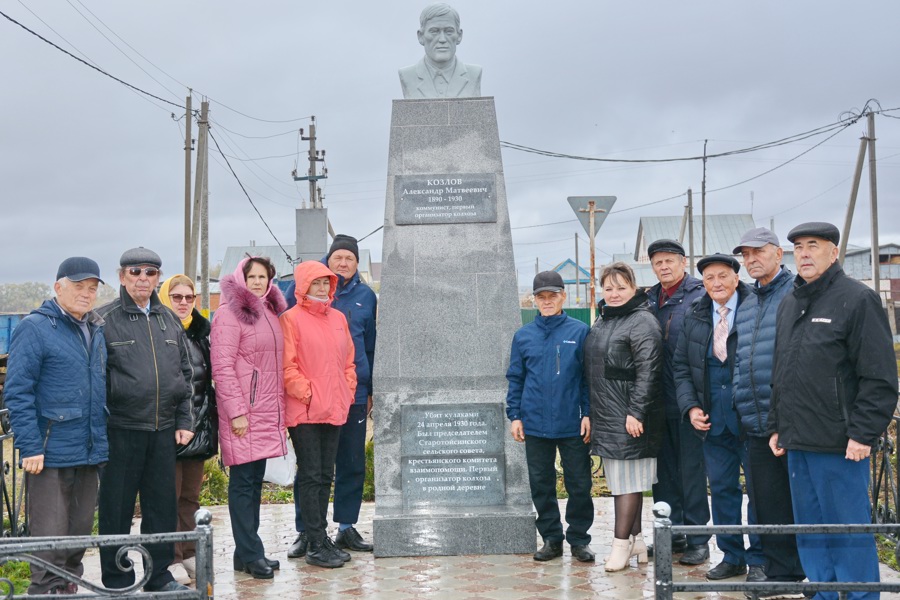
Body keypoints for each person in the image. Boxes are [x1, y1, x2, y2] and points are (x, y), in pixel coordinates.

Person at [769, 222, 898, 600]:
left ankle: (860, 596)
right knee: (810, 530)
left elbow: (879, 377)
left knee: (848, 531)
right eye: (798, 248)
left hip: (840, 443)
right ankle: (824, 593)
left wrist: (863, 432)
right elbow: (782, 371)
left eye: (814, 245)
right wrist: (778, 425)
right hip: (798, 440)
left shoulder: (858, 299)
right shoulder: (790, 302)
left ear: (833, 252)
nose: (805, 253)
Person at [4, 257, 108, 595]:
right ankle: (46, 591)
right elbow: (18, 391)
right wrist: (30, 445)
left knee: (78, 532)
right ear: (58, 287)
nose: (86, 294)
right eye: (78, 287)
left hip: (88, 447)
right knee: (50, 535)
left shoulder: (95, 327)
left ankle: (68, 587)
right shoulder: (35, 328)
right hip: (49, 450)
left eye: (92, 289)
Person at [96, 247, 194, 592]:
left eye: (150, 273)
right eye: (135, 272)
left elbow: (183, 375)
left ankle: (158, 577)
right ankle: (117, 580)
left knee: (161, 509)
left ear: (158, 278)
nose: (143, 279)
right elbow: (94, 381)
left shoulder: (168, 319)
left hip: (163, 430)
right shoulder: (103, 319)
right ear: (122, 276)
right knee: (116, 511)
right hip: (121, 430)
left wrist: (185, 420)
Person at [673, 253, 764, 581]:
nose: (717, 283)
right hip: (712, 422)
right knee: (723, 490)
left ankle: (760, 560)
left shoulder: (757, 310)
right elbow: (681, 367)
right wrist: (691, 408)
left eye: (723, 276)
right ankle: (732, 556)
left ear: (736, 278)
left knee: (759, 492)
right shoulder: (695, 316)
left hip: (751, 420)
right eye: (710, 278)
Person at [287, 235, 378, 559]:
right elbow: (288, 354)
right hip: (311, 402)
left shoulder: (366, 297)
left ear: (356, 263)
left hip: (350, 394)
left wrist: (361, 387)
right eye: (337, 257)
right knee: (311, 470)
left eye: (349, 259)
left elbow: (365, 348)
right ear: (329, 261)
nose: (342, 263)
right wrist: (309, 393)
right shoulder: (299, 302)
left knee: (349, 463)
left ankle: (345, 527)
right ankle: (307, 532)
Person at [731, 228, 805, 598]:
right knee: (767, 501)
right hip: (753, 419)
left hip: (790, 420)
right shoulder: (746, 304)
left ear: (779, 253)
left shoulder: (796, 294)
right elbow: (742, 358)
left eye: (758, 252)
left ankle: (811, 570)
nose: (751, 260)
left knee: (799, 499)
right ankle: (781, 573)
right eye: (745, 255)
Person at [505, 271, 594, 563]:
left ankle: (579, 539)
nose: (547, 301)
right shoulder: (523, 335)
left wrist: (588, 413)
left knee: (579, 483)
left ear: (563, 297)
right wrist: (515, 415)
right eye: (541, 297)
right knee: (542, 485)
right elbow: (516, 378)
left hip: (572, 423)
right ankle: (552, 539)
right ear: (534, 299)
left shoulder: (580, 331)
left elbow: (588, 379)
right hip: (534, 424)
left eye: (552, 296)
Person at [211, 256, 288, 580]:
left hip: (265, 411)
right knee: (243, 486)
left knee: (254, 484)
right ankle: (252, 552)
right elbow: (223, 368)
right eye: (252, 276)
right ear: (241, 279)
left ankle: (245, 555)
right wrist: (238, 413)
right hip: (243, 413)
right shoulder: (230, 314)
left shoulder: (268, 311)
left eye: (263, 277)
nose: (258, 282)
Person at [585, 262, 663, 571]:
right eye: (608, 288)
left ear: (634, 288)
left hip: (631, 418)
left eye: (621, 287)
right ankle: (638, 542)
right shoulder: (604, 320)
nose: (614, 293)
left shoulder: (642, 321)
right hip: (607, 414)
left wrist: (636, 412)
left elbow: (649, 371)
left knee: (627, 484)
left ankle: (620, 546)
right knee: (623, 480)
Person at [281, 261, 357, 569]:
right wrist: (310, 394)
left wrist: (347, 390)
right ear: (303, 286)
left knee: (326, 475)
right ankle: (313, 542)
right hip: (306, 412)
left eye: (327, 283)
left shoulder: (338, 317)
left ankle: (321, 536)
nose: (323, 288)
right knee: (311, 475)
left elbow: (349, 362)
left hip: (335, 409)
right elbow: (287, 367)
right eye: (317, 283)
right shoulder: (290, 319)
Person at [645, 239, 711, 565]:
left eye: (670, 260)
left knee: (692, 473)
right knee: (664, 475)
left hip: (689, 401)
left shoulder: (700, 296)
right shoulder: (648, 300)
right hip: (657, 403)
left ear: (684, 261)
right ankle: (671, 535)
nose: (664, 267)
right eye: (658, 262)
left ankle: (699, 539)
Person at [159, 274, 218, 584]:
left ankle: (191, 551)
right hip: (167, 426)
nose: (183, 302)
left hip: (197, 426)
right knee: (170, 493)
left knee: (191, 496)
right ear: (166, 297)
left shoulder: (202, 333)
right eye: (177, 296)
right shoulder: (157, 329)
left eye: (189, 297)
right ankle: (172, 557)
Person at [399, 3, 482, 99]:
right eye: (434, 31)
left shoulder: (474, 73)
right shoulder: (407, 76)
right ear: (421, 36)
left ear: (459, 36)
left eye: (449, 31)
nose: (442, 39)